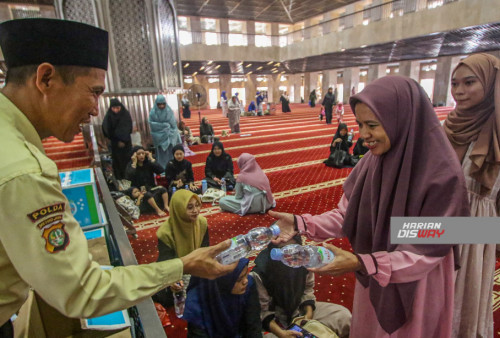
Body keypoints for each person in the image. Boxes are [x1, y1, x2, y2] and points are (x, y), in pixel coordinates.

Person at [0, 18, 236, 337]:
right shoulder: (22, 169)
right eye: (94, 92)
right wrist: (183, 265)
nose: (97, 110)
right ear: (45, 79)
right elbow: (82, 291)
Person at [269, 76, 470, 337]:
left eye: (372, 125)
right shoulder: (372, 163)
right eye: (361, 124)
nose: (363, 136)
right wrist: (301, 223)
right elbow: (347, 214)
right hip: (375, 270)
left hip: (418, 282)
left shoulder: (441, 175)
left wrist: (364, 262)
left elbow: (425, 252)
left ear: (401, 119)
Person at [443, 53, 500, 338]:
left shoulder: (498, 129)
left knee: (462, 299)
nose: (459, 91)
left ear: (490, 84)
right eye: (454, 84)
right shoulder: (451, 124)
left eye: (469, 82)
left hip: (476, 231)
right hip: (441, 219)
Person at [251, 234, 351, 338]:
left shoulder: (304, 260)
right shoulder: (260, 273)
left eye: (293, 249)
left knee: (342, 316)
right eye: (284, 251)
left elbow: (307, 290)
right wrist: (282, 334)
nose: (290, 255)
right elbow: (262, 312)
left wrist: (308, 315)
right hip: (274, 321)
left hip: (298, 311)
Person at [154, 190, 210, 308]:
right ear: (179, 209)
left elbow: (205, 251)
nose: (196, 211)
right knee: (169, 296)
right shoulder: (165, 233)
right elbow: (166, 262)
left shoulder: (202, 222)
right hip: (176, 271)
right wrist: (172, 281)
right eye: (190, 207)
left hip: (197, 267)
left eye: (197, 205)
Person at [184, 258, 262, 338]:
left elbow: (253, 325)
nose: (245, 281)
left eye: (246, 274)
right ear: (222, 281)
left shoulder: (248, 285)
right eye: (239, 279)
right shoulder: (196, 304)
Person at [102, 98, 133, 180]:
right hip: (115, 144)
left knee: (127, 160)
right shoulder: (109, 116)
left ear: (121, 107)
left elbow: (128, 128)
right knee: (117, 162)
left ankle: (128, 178)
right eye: (114, 108)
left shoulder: (125, 114)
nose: (116, 110)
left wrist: (123, 140)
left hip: (126, 143)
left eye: (117, 108)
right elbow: (106, 128)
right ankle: (120, 179)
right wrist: (114, 138)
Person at [149, 94, 182, 168]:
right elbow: (152, 125)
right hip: (159, 137)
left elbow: (173, 125)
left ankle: (171, 167)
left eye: (163, 104)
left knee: (170, 154)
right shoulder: (153, 113)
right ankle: (161, 168)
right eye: (159, 104)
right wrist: (164, 126)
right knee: (161, 154)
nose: (161, 106)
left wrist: (169, 132)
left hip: (169, 137)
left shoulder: (169, 111)